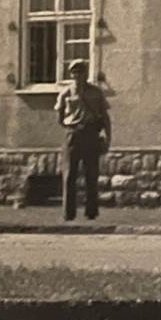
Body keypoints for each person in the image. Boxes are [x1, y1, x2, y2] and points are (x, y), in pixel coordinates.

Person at [54, 59, 110, 221]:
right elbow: (60, 117)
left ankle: (91, 212)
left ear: (86, 73)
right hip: (73, 134)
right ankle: (68, 213)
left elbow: (105, 117)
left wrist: (108, 138)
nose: (78, 75)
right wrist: (70, 126)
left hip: (91, 133)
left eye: (81, 72)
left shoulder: (96, 92)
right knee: (69, 174)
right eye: (74, 72)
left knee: (91, 174)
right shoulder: (66, 93)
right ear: (71, 74)